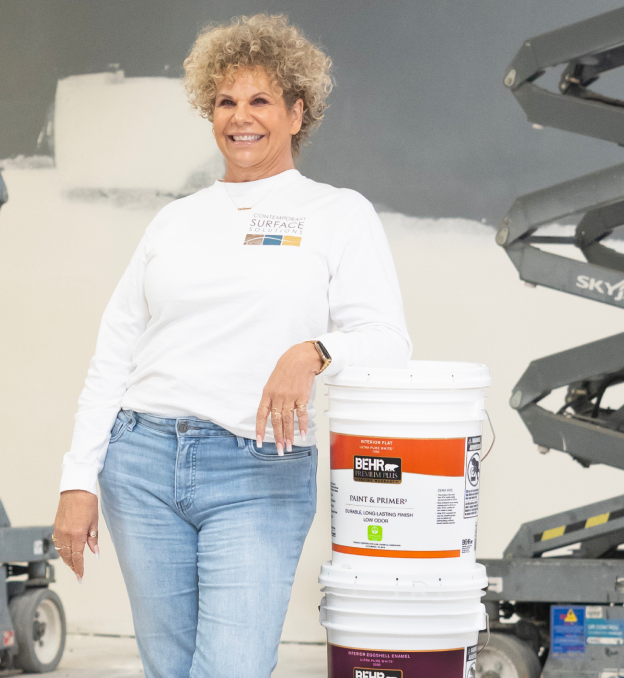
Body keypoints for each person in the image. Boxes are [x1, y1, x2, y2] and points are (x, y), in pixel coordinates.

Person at [52, 13, 411, 678]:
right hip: (141, 463)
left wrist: (312, 352)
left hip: (257, 471)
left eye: (260, 100)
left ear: (297, 112)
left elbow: (387, 341)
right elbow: (113, 355)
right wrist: (78, 480)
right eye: (224, 101)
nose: (239, 118)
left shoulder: (336, 214)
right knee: (171, 667)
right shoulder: (174, 220)